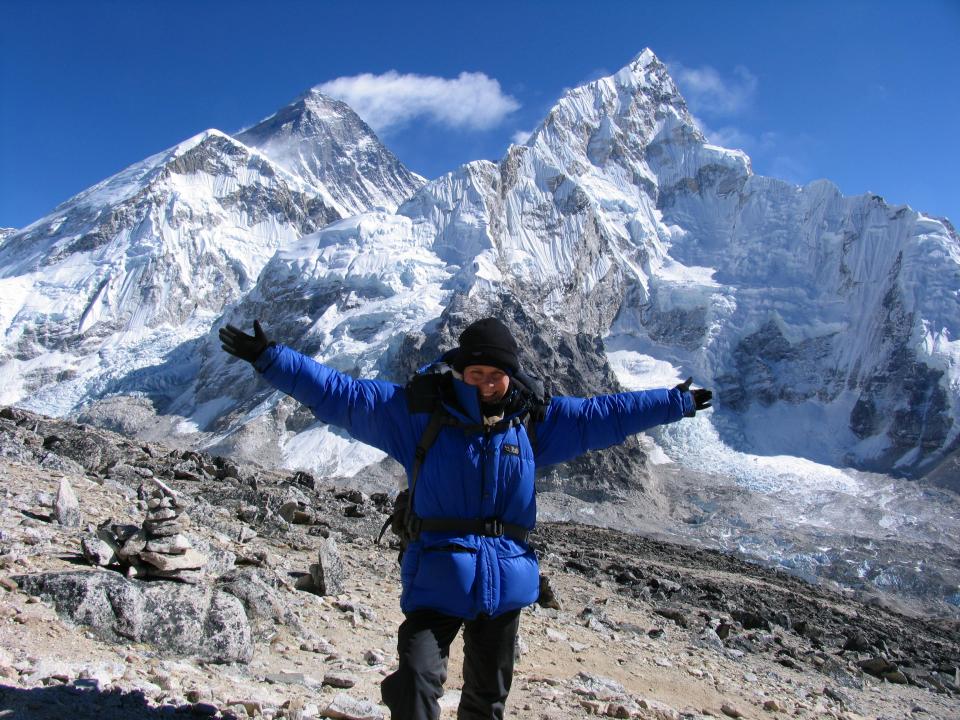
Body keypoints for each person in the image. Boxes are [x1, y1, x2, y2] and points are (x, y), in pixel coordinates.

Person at [219, 317, 712, 720]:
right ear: (458, 370)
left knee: (486, 701)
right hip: (437, 572)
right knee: (414, 680)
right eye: (475, 373)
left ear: (511, 376)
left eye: (495, 374)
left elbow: (605, 415)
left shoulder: (534, 422)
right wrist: (271, 359)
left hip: (505, 581)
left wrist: (675, 403)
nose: (486, 383)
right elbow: (342, 396)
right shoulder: (417, 414)